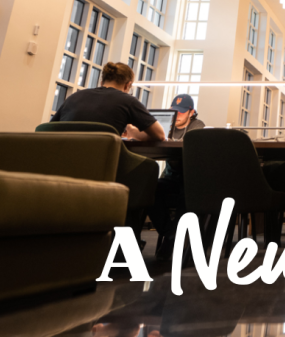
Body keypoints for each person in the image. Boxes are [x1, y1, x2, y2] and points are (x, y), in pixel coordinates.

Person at [149, 93, 205, 260]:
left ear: (191, 112)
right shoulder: (165, 127)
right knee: (149, 188)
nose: (177, 115)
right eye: (174, 111)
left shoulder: (197, 126)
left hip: (191, 178)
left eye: (181, 112)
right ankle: (172, 234)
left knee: (186, 194)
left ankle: (172, 239)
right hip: (171, 177)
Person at [51, 62, 165, 141]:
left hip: (63, 162)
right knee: (149, 166)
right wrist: (131, 130)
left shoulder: (74, 97)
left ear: (101, 82)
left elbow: (48, 131)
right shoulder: (128, 101)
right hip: (103, 163)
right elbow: (160, 135)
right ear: (128, 85)